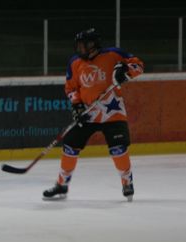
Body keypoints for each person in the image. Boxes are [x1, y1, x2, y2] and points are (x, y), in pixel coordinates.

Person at [43, 28, 143, 201]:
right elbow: (71, 88)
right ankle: (62, 184)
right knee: (70, 145)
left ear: (93, 44)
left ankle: (127, 182)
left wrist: (125, 71)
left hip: (112, 112)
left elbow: (139, 66)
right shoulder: (75, 62)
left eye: (83, 45)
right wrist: (77, 106)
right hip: (88, 113)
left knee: (118, 148)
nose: (80, 49)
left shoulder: (113, 54)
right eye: (78, 45)